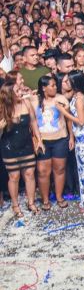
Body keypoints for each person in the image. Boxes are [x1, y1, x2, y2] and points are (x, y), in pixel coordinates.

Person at [0, 81, 43, 218]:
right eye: (17, 91)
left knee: (30, 174)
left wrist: (39, 140)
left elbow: (34, 122)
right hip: (9, 147)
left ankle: (31, 203)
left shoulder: (26, 103)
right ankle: (15, 205)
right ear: (8, 95)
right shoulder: (2, 108)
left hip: (26, 145)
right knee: (14, 176)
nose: (20, 92)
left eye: (20, 90)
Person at [60, 71, 84, 211]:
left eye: (67, 81)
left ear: (74, 83)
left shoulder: (79, 98)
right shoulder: (77, 96)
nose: (65, 83)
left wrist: (64, 113)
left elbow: (81, 121)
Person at [34, 75, 73, 210]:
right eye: (52, 85)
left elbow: (69, 119)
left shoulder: (61, 99)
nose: (55, 87)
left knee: (59, 169)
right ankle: (45, 199)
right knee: (43, 171)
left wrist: (71, 137)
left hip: (60, 139)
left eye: (55, 85)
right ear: (43, 88)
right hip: (42, 141)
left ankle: (59, 197)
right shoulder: (35, 100)